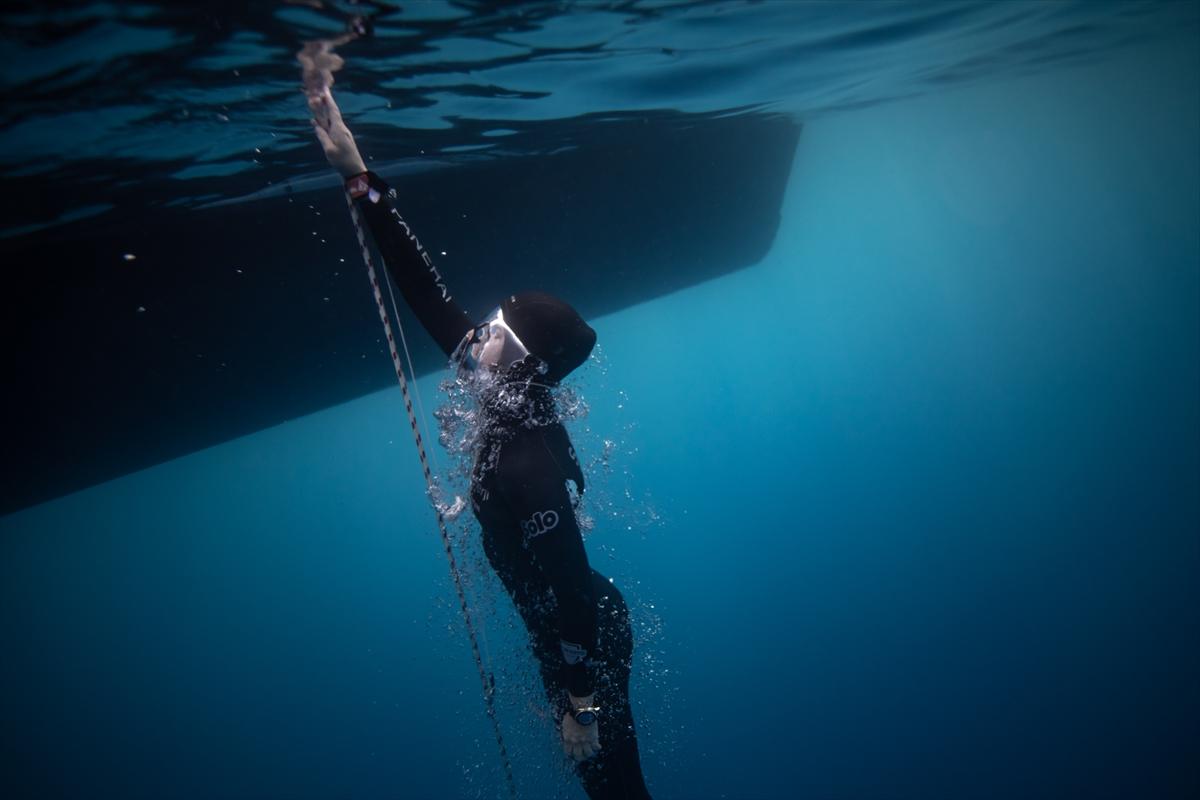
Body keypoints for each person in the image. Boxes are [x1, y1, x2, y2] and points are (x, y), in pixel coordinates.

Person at [305, 81, 653, 800]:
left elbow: (569, 583)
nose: (482, 329)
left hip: (585, 636)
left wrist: (581, 701)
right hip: (567, 631)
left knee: (615, 785)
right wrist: (358, 175)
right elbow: (424, 293)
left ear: (522, 361)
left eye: (498, 328)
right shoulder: (498, 382)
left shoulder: (527, 464)